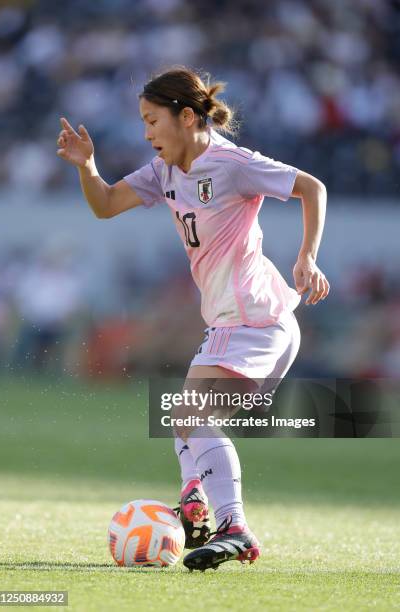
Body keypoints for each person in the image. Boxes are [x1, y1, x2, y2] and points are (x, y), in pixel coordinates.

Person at [57, 67, 330, 571]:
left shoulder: (232, 164)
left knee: (187, 417)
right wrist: (87, 166)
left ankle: (233, 525)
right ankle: (198, 510)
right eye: (142, 122)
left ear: (186, 117)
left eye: (152, 120)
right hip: (237, 322)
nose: (146, 133)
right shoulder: (163, 173)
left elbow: (311, 188)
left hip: (255, 319)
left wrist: (306, 258)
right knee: (185, 422)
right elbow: (106, 204)